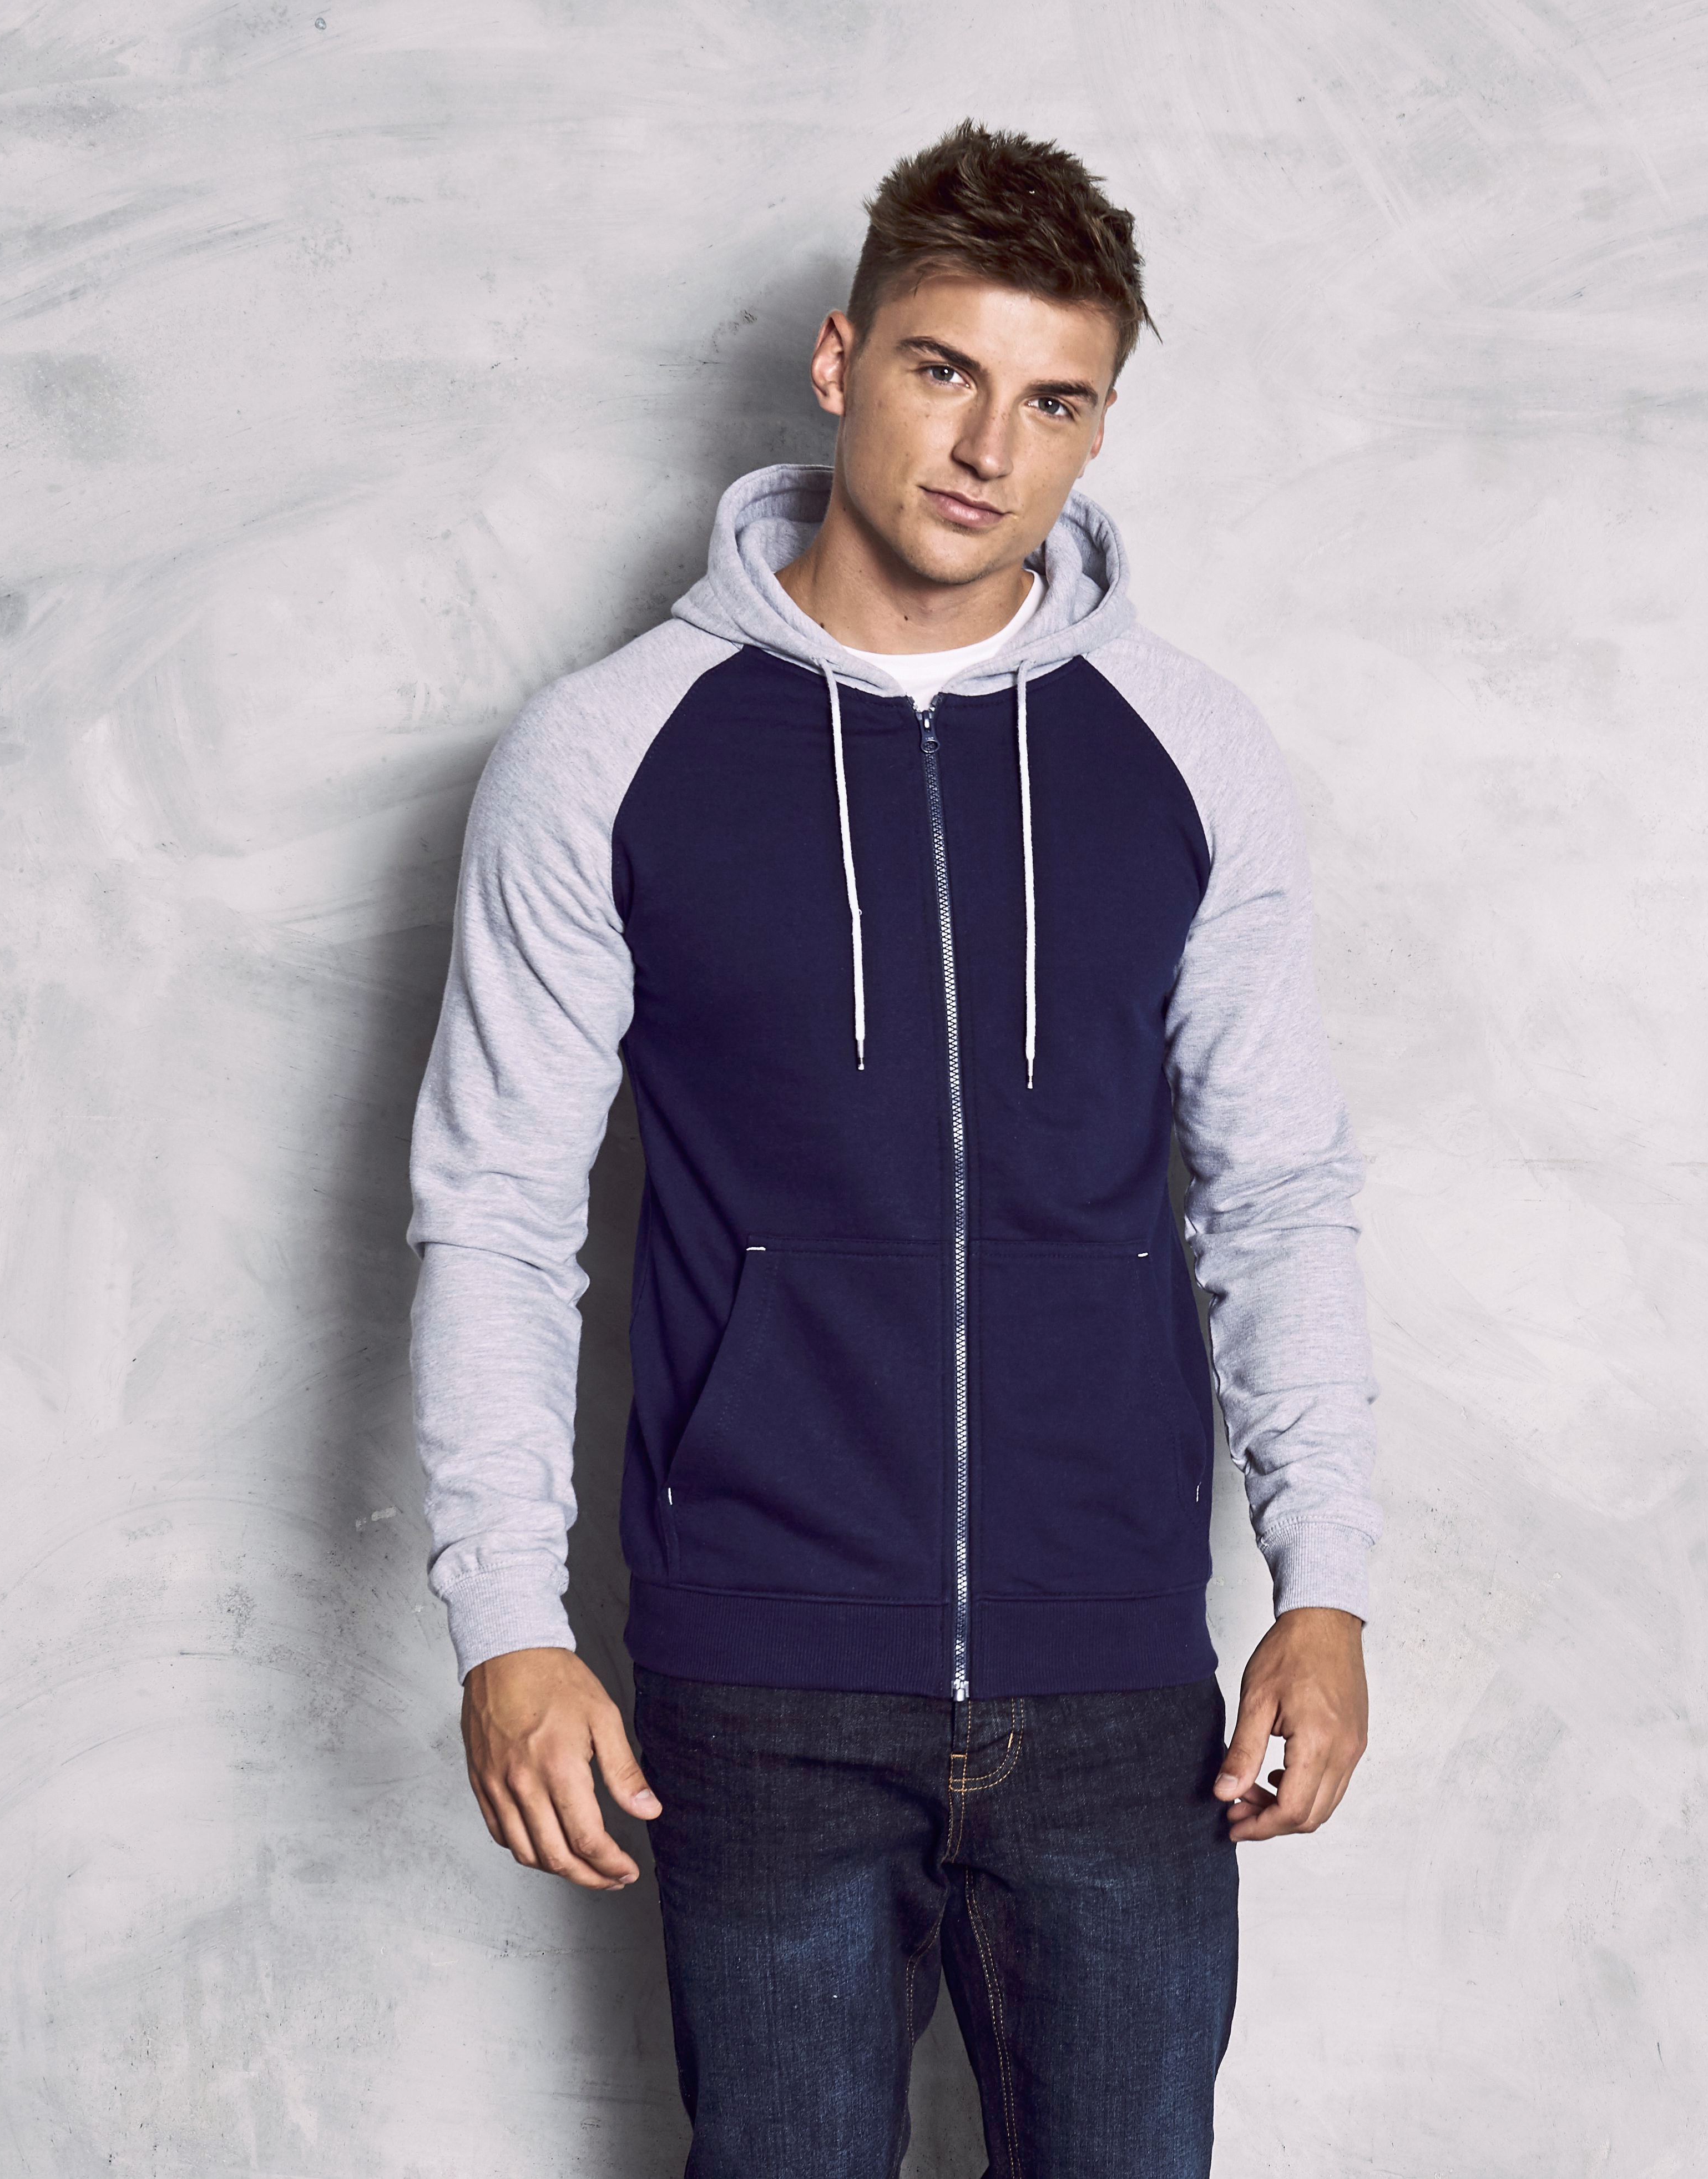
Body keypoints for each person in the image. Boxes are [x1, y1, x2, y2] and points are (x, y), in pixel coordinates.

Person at [402, 119, 1382, 2177]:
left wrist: (1329, 1585)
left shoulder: (1185, 749)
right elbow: (493, 1213)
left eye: (1056, 401)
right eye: (946, 371)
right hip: (758, 1685)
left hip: (1116, 1681)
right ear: (843, 360)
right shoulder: (606, 753)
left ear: (1097, 429)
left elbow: (1278, 1193)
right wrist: (507, 1623)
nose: (989, 449)